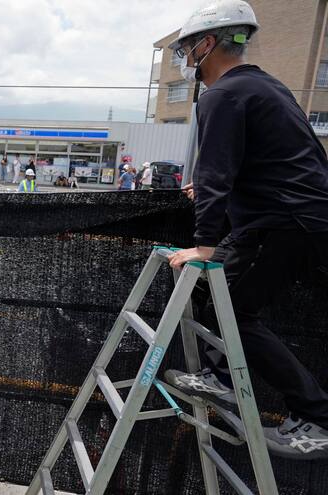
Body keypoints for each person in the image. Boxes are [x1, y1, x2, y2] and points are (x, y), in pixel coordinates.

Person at [163, 0, 328, 459]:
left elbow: (217, 173)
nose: (186, 57)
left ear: (208, 44)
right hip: (294, 217)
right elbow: (273, 159)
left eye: (188, 47)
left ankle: (317, 417)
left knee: (235, 314)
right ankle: (220, 377)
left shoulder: (223, 95)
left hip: (286, 222)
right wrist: (223, 191)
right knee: (221, 302)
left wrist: (204, 246)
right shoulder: (262, 86)